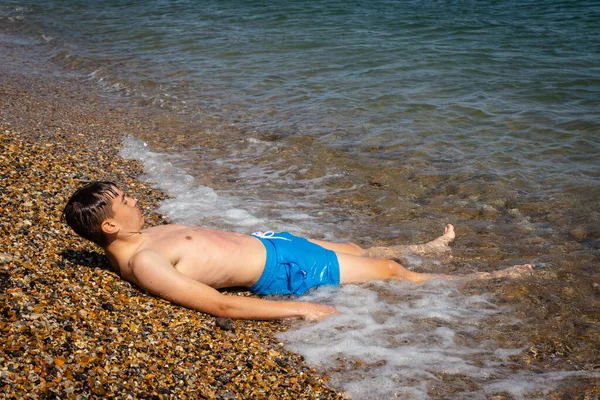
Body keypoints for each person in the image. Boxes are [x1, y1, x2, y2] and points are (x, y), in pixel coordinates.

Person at [62, 181, 532, 321]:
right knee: (390, 271)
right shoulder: (144, 263)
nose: (135, 200)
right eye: (126, 202)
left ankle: (431, 248)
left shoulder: (136, 239)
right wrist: (303, 310)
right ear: (109, 225)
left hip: (272, 244)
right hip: (283, 269)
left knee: (352, 247)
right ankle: (487, 280)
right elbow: (218, 303)